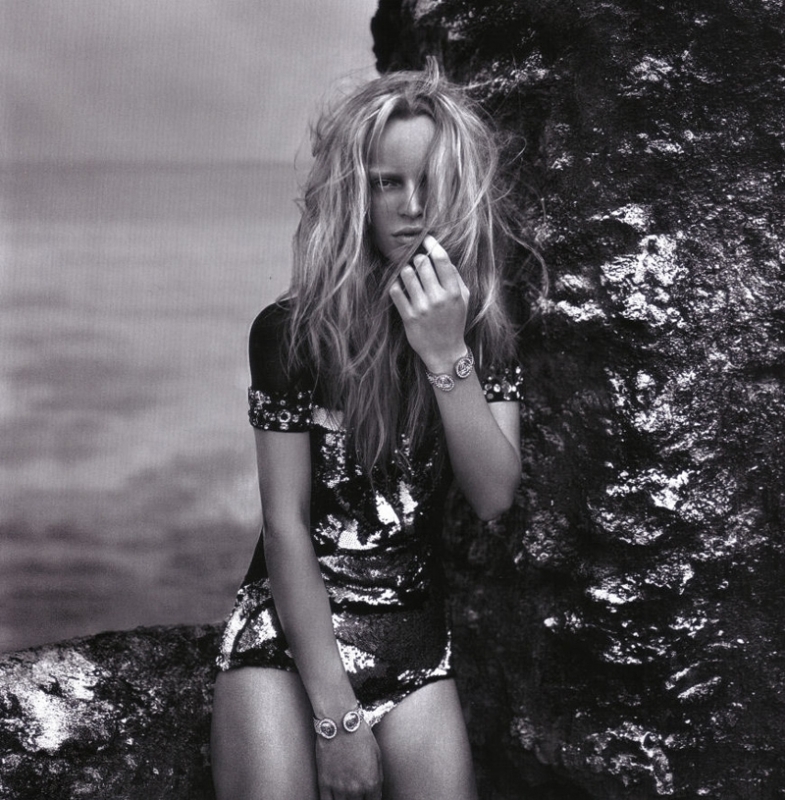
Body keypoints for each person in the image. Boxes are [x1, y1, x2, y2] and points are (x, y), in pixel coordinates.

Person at [211, 58, 528, 800]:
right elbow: (284, 526)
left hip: (415, 645)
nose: (411, 208)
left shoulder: (480, 325)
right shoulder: (290, 334)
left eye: (429, 182)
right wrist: (336, 721)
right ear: (355, 192)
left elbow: (493, 496)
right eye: (387, 183)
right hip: (288, 641)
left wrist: (444, 354)